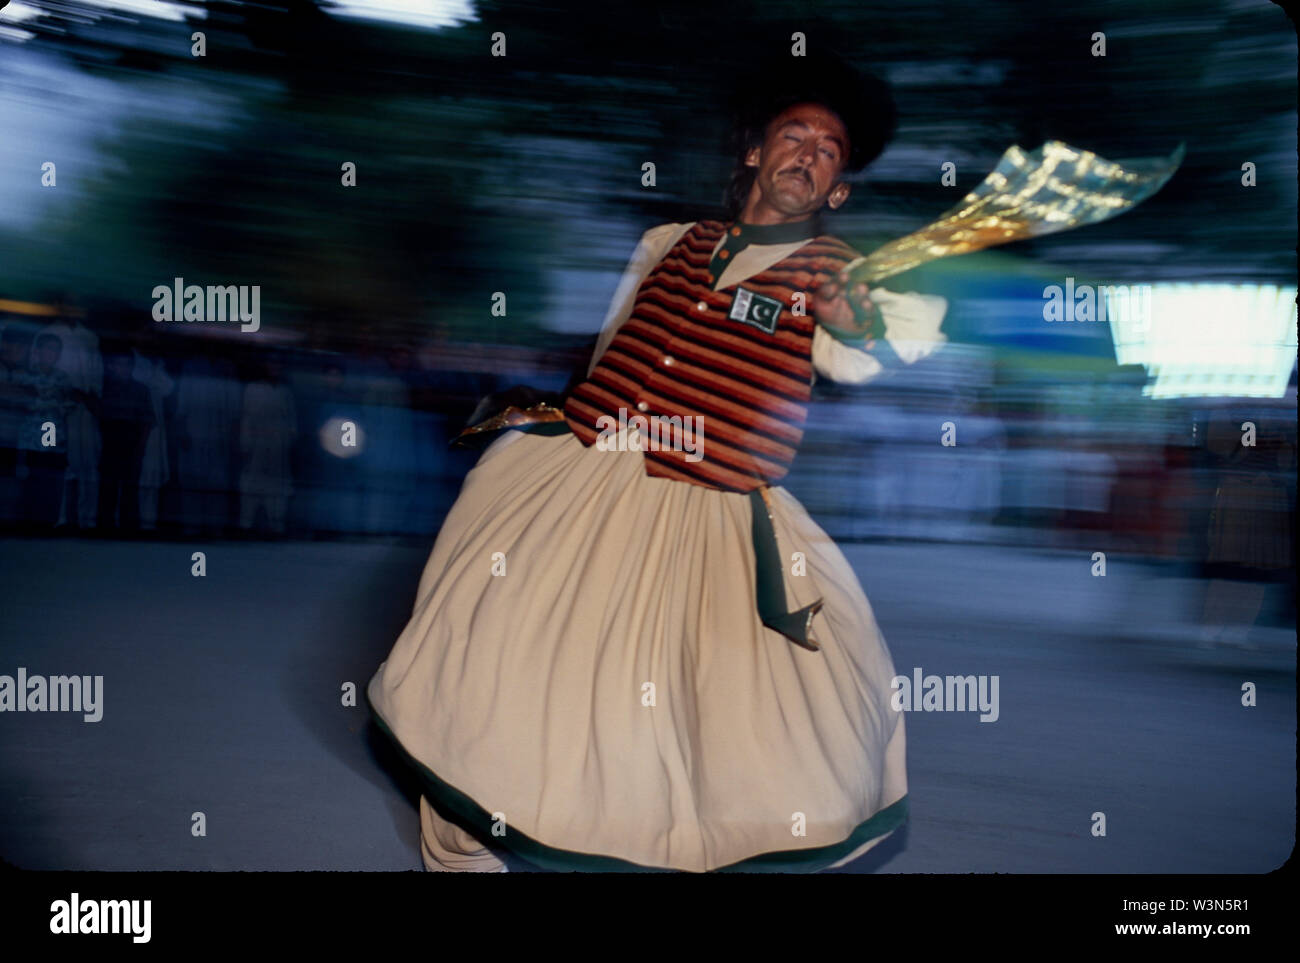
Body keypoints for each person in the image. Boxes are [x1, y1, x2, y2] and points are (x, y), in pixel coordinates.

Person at [367, 57, 948, 872]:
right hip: (585, 478)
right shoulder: (667, 242)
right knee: (499, 663)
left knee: (702, 726)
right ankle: (467, 849)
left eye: (829, 150)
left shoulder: (834, 272)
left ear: (838, 191)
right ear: (753, 153)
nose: (810, 153)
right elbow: (610, 348)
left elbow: (882, 347)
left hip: (709, 510)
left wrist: (861, 319)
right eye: (795, 134)